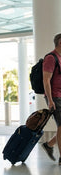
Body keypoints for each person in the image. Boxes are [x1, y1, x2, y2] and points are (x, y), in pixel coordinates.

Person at [41, 33, 61, 165]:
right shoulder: (51, 58)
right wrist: (50, 100)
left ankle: (49, 145)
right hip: (55, 97)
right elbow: (46, 80)